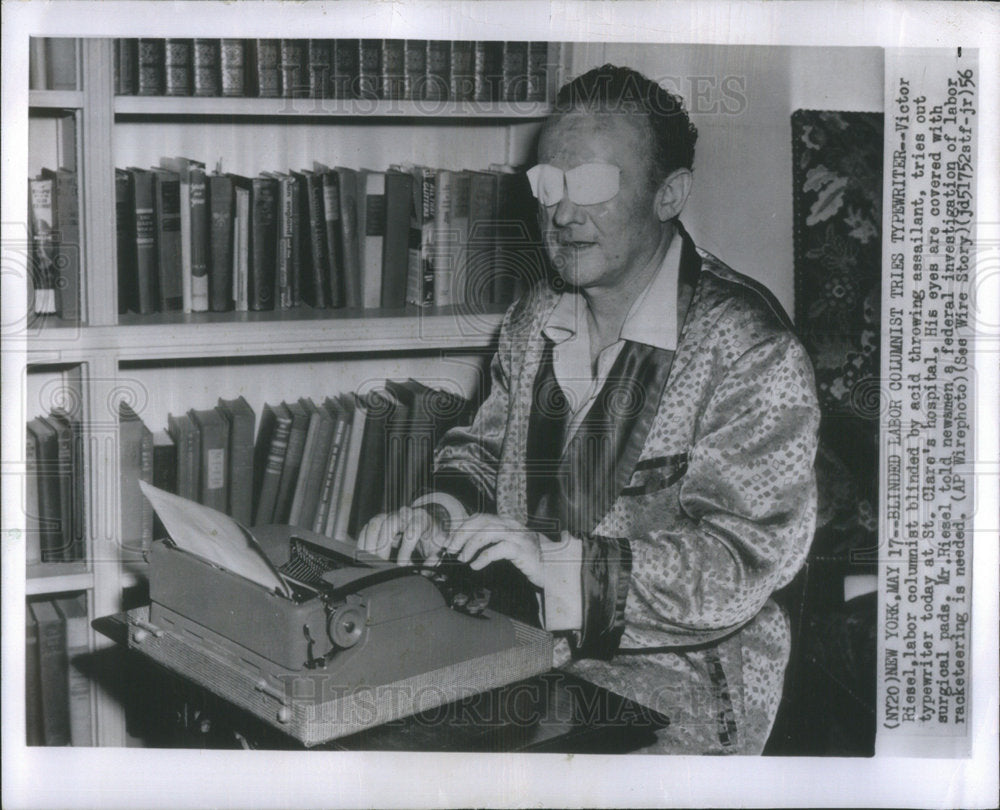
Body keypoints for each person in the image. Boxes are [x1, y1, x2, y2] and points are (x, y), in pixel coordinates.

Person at [359, 64, 820, 754]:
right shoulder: (532, 318)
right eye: (548, 185)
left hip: (677, 692)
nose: (562, 212)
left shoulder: (752, 350)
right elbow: (480, 451)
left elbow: (736, 563)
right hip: (518, 651)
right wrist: (437, 515)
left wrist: (559, 565)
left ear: (671, 194)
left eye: (592, 186)